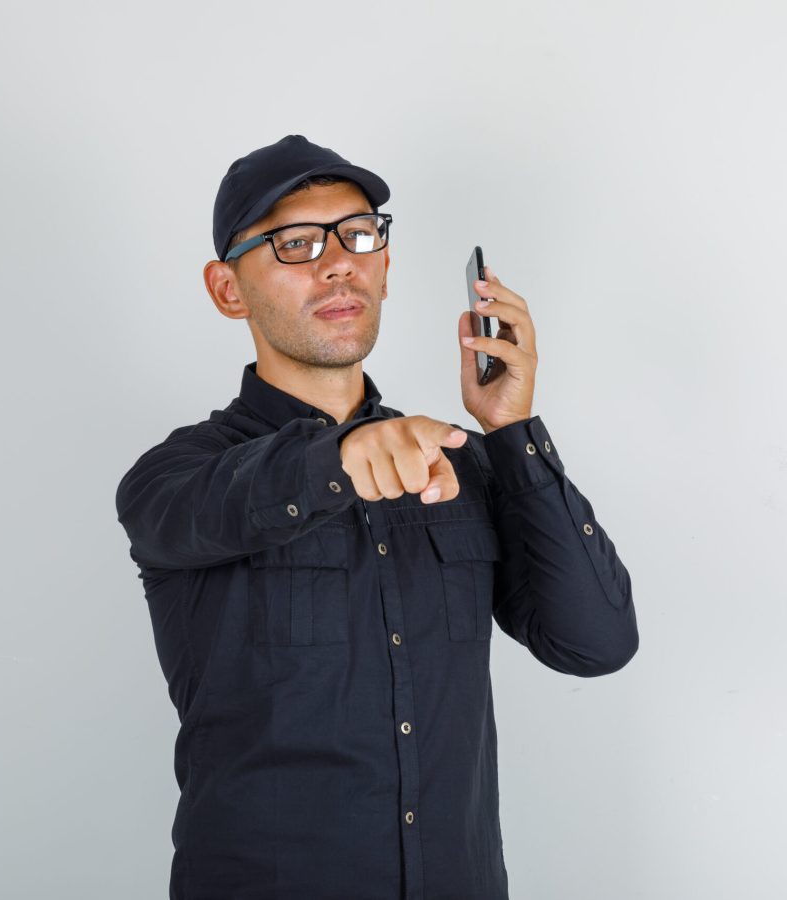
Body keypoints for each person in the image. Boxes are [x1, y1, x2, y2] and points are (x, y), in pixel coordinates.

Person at [115, 134, 639, 900]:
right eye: (295, 244)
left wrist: (512, 433)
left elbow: (595, 643)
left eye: (359, 235)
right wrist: (342, 458)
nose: (338, 262)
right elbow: (210, 505)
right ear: (229, 290)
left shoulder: (457, 462)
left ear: (385, 266)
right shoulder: (177, 477)